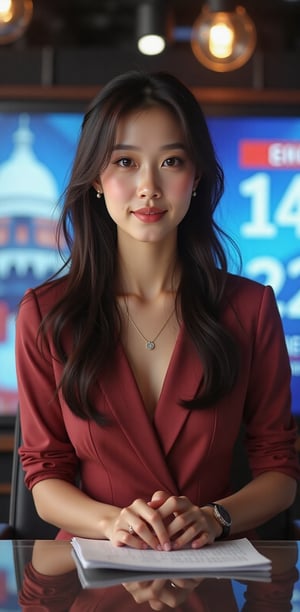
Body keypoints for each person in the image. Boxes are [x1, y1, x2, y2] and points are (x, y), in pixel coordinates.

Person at [16, 70, 299, 551]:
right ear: (97, 180)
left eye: (171, 160)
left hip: (211, 567)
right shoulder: (45, 313)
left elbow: (280, 470)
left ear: (197, 177)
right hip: (94, 569)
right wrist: (112, 524)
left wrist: (216, 518)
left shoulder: (250, 309)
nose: (148, 186)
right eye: (125, 161)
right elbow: (45, 477)